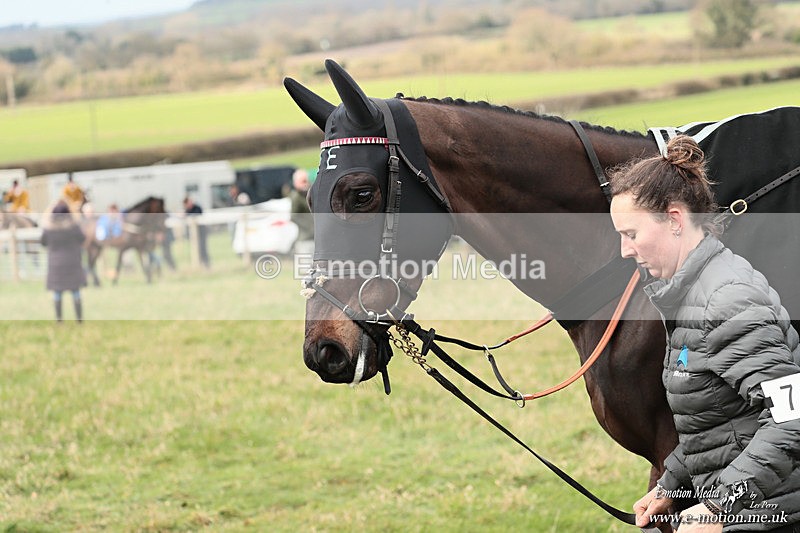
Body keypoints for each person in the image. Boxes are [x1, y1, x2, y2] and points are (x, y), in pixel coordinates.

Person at [609, 135, 800, 532]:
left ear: (675, 220)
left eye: (630, 233)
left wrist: (717, 507)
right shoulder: (691, 294)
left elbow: (791, 417)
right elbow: (718, 421)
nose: (625, 250)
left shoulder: (727, 300)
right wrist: (670, 486)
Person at [41, 200, 87, 323]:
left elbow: (43, 242)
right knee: (76, 291)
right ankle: (79, 320)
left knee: (57, 292)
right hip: (73, 262)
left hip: (55, 264)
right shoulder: (73, 226)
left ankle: (59, 320)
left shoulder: (49, 227)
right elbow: (82, 238)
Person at [289, 168, 314, 256]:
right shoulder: (296, 197)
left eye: (306, 180)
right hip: (305, 239)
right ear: (296, 183)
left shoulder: (311, 193)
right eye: (303, 181)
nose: (306, 183)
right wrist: (311, 227)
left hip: (317, 238)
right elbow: (294, 216)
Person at [184, 196, 209, 268]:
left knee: (203, 249)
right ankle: (199, 265)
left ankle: (206, 265)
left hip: (201, 233)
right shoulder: (187, 210)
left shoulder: (197, 208)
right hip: (193, 235)